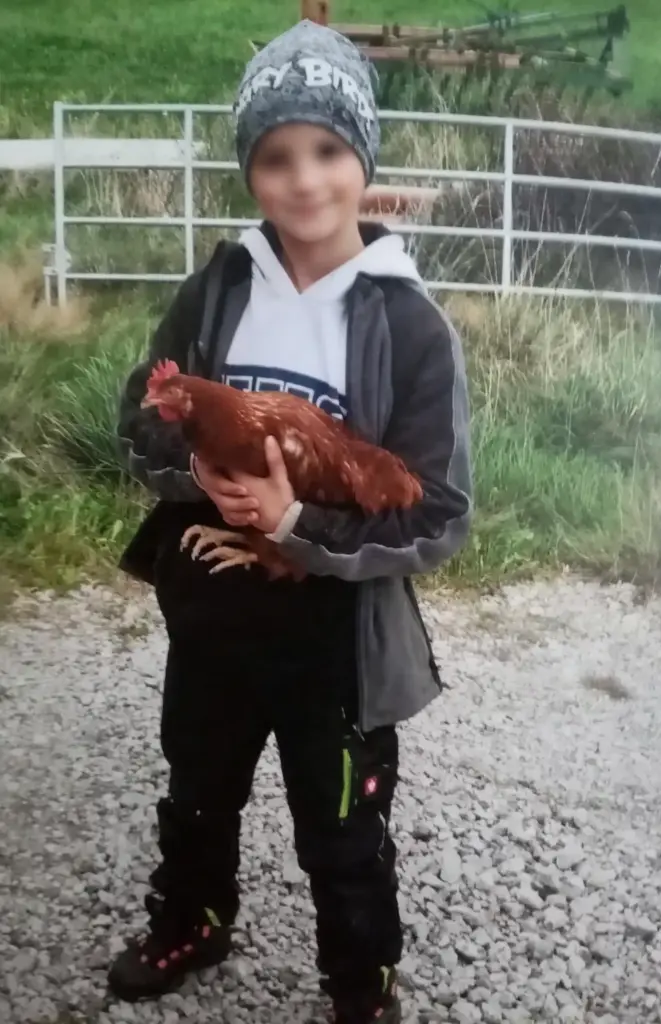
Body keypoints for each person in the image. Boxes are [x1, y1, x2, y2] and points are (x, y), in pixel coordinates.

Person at [110, 18, 472, 1024]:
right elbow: (142, 413)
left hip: (336, 627)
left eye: (325, 151)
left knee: (342, 821)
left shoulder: (409, 324)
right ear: (250, 172)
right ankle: (193, 919)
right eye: (275, 158)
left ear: (362, 161)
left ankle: (360, 983)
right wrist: (197, 472)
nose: (304, 181)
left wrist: (295, 519)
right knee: (196, 786)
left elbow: (436, 512)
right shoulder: (220, 288)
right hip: (215, 606)